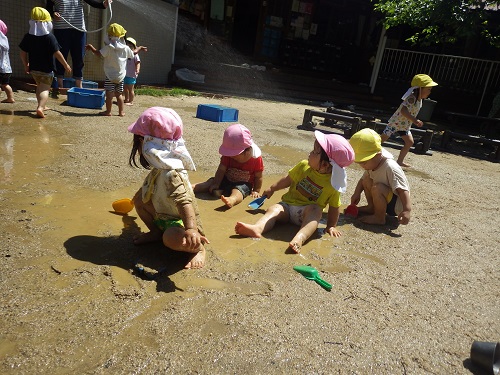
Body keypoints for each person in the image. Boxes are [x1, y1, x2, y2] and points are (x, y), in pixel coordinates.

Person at [235, 130, 354, 253]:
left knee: (316, 211)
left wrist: (331, 226)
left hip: (305, 213)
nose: (310, 153)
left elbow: (334, 207)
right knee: (274, 209)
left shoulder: (333, 184)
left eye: (314, 152)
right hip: (287, 206)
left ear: (324, 165)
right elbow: (287, 180)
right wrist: (272, 188)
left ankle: (299, 238)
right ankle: (258, 228)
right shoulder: (303, 166)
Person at [128, 106, 209, 269]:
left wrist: (191, 229)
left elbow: (184, 201)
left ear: (146, 144)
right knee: (139, 201)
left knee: (169, 238)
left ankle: (198, 248)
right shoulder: (160, 168)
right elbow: (149, 188)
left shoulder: (172, 174)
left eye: (138, 141)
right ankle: (156, 232)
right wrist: (137, 200)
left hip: (179, 224)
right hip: (161, 215)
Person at [348, 128, 411, 226]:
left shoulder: (390, 167)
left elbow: (402, 190)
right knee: (367, 180)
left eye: (364, 162)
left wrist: (407, 210)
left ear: (378, 155)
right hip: (385, 197)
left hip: (395, 206)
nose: (362, 166)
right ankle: (372, 208)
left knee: (378, 188)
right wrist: (357, 193)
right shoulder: (372, 164)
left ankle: (379, 218)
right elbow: (362, 180)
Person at [193, 123, 264, 208]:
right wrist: (216, 183)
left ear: (247, 151)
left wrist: (256, 190)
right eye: (230, 154)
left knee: (239, 191)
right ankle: (191, 187)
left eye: (234, 155)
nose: (231, 157)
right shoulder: (228, 155)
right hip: (226, 179)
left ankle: (232, 199)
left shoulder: (256, 159)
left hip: (243, 184)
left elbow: (258, 177)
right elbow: (221, 170)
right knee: (210, 182)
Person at [46, 0, 111, 90]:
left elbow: (91, 2)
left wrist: (103, 4)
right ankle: (59, 84)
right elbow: (48, 6)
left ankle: (78, 85)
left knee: (79, 56)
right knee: (61, 55)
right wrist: (53, 13)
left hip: (79, 29)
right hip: (61, 28)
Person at [19, 7, 72, 118]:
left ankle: (41, 105)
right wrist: (66, 65)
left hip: (34, 69)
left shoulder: (28, 36)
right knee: (45, 89)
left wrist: (26, 65)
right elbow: (57, 53)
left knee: (39, 87)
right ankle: (40, 107)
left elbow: (23, 53)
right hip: (47, 70)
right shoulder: (49, 37)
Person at [381, 73, 438, 168]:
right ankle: (369, 151)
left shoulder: (419, 99)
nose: (429, 92)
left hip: (404, 125)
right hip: (396, 123)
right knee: (382, 139)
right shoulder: (411, 98)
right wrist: (415, 120)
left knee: (410, 142)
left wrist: (413, 121)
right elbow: (404, 110)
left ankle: (399, 161)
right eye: (428, 89)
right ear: (420, 88)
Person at [85, 23, 135, 116]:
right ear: (122, 36)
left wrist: (91, 47)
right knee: (119, 95)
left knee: (109, 95)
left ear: (109, 36)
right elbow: (133, 54)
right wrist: (139, 48)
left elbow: (98, 53)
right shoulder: (126, 48)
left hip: (110, 76)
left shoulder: (108, 48)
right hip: (120, 77)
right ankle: (121, 112)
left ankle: (108, 111)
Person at [123, 37, 141, 106]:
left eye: (131, 46)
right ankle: (126, 99)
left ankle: (131, 101)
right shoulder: (125, 55)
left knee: (130, 89)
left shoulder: (135, 55)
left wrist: (137, 69)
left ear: (134, 48)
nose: (129, 48)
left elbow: (138, 63)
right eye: (127, 46)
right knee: (125, 88)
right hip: (125, 74)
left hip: (131, 75)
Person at [0, 20, 14, 104]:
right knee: (5, 84)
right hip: (7, 69)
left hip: (0, 68)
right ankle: (10, 98)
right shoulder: (5, 40)